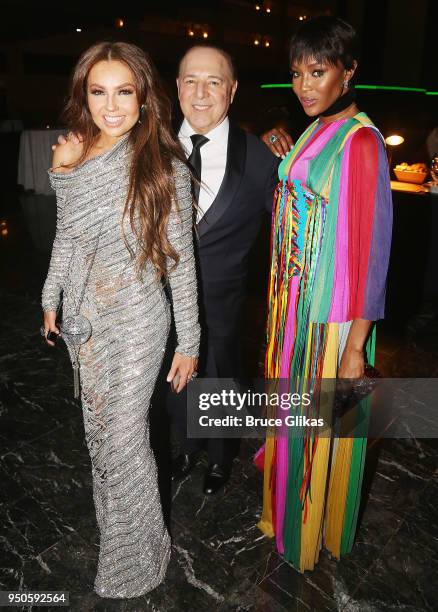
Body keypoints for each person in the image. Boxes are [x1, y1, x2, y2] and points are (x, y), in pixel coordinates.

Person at [41, 42, 200, 598]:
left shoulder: (163, 163)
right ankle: (119, 533)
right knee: (101, 435)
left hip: (139, 318)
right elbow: (69, 234)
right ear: (84, 96)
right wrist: (50, 297)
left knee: (128, 439)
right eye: (99, 92)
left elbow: (180, 262)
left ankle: (138, 559)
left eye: (124, 91)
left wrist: (190, 340)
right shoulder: (74, 156)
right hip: (88, 317)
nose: (112, 106)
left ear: (143, 96)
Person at [257, 16, 393, 572]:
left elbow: (374, 250)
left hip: (328, 317)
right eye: (296, 73)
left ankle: (308, 530)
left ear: (348, 71)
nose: (305, 85)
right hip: (291, 306)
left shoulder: (362, 141)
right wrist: (280, 151)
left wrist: (357, 344)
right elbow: (307, 197)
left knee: (320, 427)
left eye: (319, 71)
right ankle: (282, 509)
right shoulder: (317, 127)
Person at [168, 45, 278, 494]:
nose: (200, 92)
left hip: (223, 306)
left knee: (220, 379)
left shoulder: (263, 159)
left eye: (213, 82)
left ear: (231, 91)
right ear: (176, 87)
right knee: (173, 385)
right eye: (190, 80)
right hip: (160, 306)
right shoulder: (148, 149)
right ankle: (188, 445)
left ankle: (220, 457)